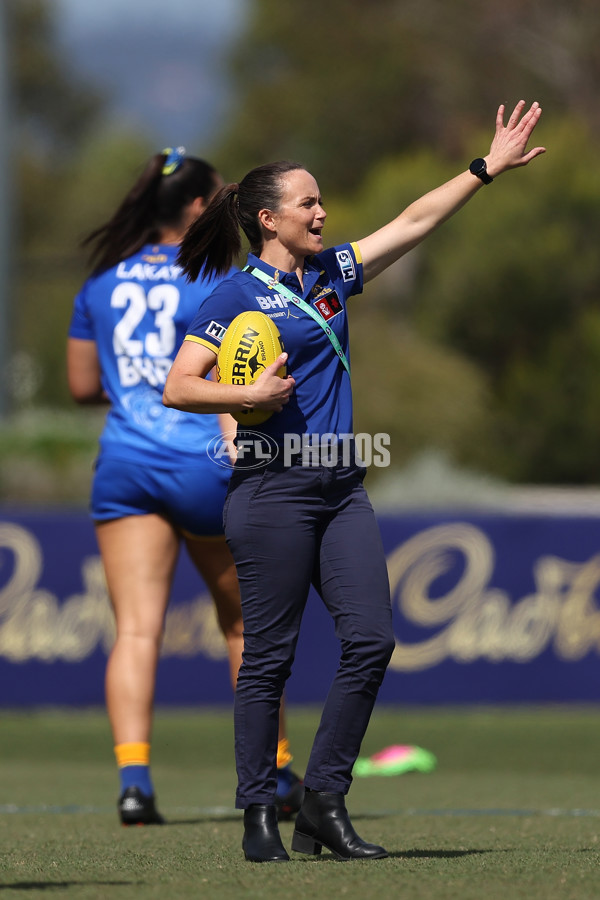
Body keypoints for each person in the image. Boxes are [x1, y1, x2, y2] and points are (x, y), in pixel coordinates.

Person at [163, 100, 545, 861]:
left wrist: (484, 169)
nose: (322, 210)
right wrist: (246, 399)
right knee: (268, 660)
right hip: (270, 491)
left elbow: (412, 221)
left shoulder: (334, 271)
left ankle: (324, 804)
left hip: (341, 489)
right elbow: (179, 385)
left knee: (372, 639)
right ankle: (258, 817)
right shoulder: (234, 296)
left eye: (320, 200)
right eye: (308, 201)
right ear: (268, 220)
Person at [66, 147, 303, 827]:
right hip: (204, 462)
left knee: (137, 632)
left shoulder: (101, 284)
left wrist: (131, 383)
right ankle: (274, 773)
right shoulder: (215, 283)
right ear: (201, 208)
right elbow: (234, 379)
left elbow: (84, 387)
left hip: (125, 464)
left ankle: (134, 783)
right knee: (246, 628)